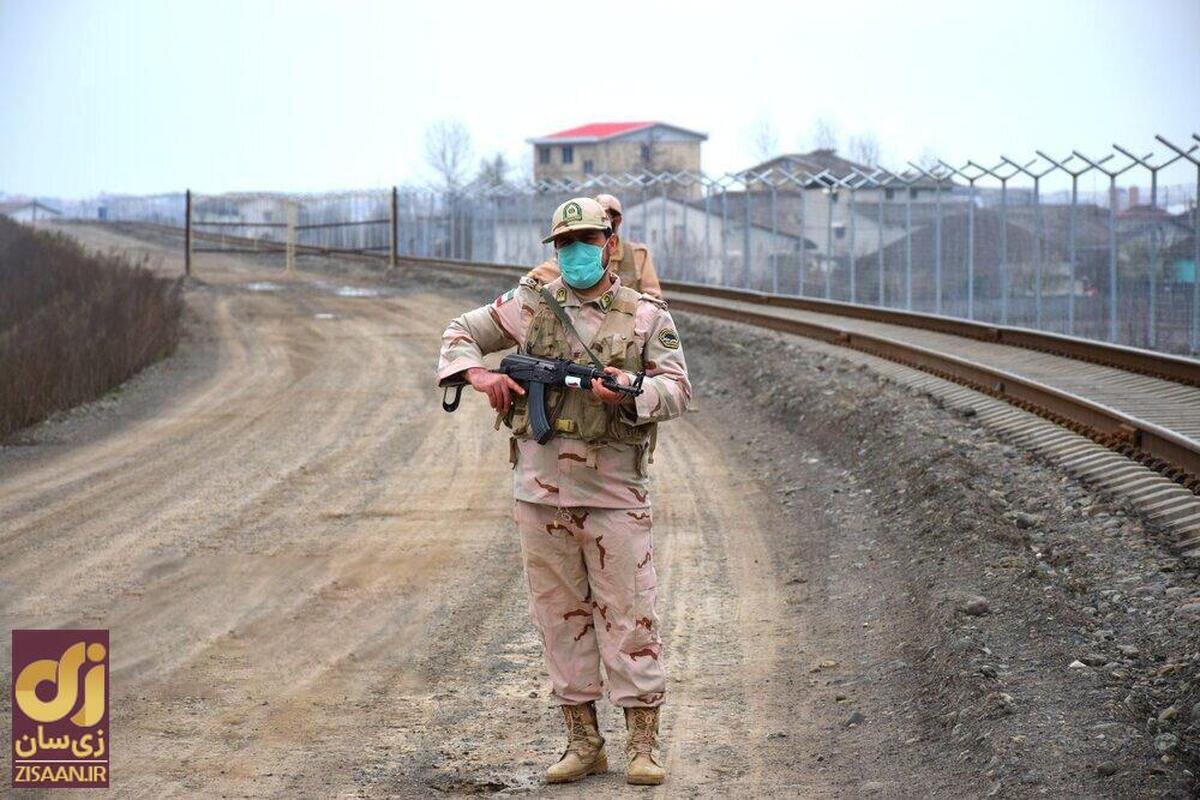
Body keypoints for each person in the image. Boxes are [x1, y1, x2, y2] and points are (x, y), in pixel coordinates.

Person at [436, 197, 690, 786]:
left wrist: (631, 390)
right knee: (559, 618)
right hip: (540, 492)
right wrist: (481, 374)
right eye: (566, 243)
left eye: (588, 240)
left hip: (614, 491)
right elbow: (460, 333)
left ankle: (643, 745)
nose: (577, 251)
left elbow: (679, 390)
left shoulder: (646, 315)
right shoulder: (528, 306)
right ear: (555, 251)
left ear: (608, 243)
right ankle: (583, 742)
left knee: (630, 615)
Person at [526, 193, 663, 298]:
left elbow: (654, 297)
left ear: (617, 221)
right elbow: (534, 280)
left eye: (604, 216)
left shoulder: (636, 255)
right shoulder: (574, 253)